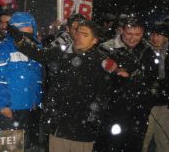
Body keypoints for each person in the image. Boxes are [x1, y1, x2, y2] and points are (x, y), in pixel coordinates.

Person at [10, 21, 116, 152]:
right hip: (59, 123)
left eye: (85, 34)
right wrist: (21, 41)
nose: (78, 36)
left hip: (83, 128)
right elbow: (39, 54)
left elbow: (102, 96)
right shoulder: (62, 51)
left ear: (94, 40)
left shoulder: (101, 61)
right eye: (78, 32)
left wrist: (93, 120)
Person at [95, 16, 158, 152]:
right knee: (108, 146)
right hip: (111, 112)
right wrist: (116, 71)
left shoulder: (147, 51)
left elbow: (152, 79)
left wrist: (147, 97)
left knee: (134, 146)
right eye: (129, 33)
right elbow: (101, 68)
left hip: (138, 113)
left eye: (137, 34)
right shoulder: (107, 48)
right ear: (122, 30)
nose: (132, 38)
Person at [0, 11, 43, 148]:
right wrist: (3, 104)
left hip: (27, 107)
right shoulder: (2, 47)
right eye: (24, 26)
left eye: (29, 26)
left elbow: (37, 77)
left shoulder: (35, 48)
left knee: (24, 144)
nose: (28, 29)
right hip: (9, 108)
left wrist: (35, 98)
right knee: (9, 146)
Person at [142, 23, 169, 152]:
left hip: (165, 104)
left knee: (163, 138)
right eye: (153, 35)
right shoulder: (145, 52)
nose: (155, 38)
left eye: (159, 35)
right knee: (144, 137)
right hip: (147, 102)